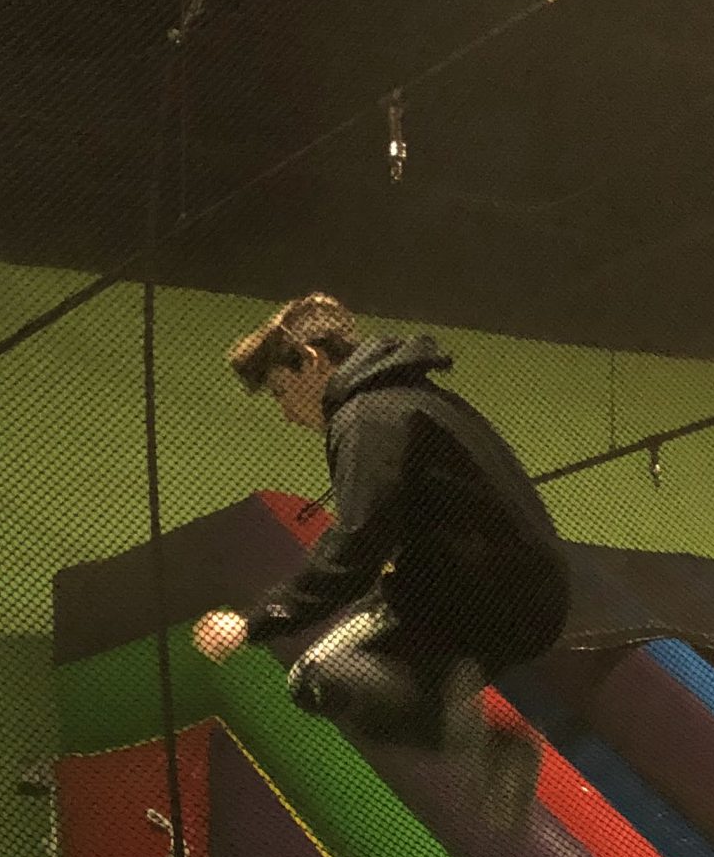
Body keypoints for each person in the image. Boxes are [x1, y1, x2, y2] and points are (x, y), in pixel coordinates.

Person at [194, 294, 571, 825]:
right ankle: (444, 694)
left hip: (468, 599)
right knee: (377, 648)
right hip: (530, 599)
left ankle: (467, 731)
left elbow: (357, 545)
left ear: (310, 360)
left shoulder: (365, 416)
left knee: (317, 677)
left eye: (282, 391)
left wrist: (256, 621)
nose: (285, 413)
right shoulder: (418, 399)